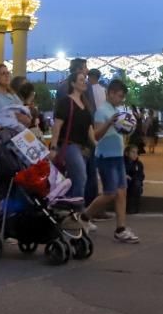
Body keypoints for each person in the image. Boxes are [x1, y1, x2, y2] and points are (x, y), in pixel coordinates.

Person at [82, 78, 140, 243]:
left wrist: (128, 128)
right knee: (110, 193)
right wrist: (110, 122)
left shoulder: (119, 110)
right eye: (119, 96)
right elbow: (97, 135)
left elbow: (121, 131)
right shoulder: (102, 111)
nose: (121, 99)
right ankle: (85, 216)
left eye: (122, 96)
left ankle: (121, 228)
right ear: (110, 93)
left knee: (122, 192)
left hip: (117, 156)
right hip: (105, 157)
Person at [51, 64, 95, 203]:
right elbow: (57, 126)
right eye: (81, 80)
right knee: (81, 177)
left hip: (83, 147)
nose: (84, 82)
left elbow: (89, 126)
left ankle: (68, 209)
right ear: (73, 83)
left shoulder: (85, 103)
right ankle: (78, 212)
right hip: (69, 145)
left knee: (74, 179)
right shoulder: (66, 102)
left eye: (85, 80)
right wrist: (53, 147)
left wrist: (94, 143)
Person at [124, 143, 145, 214]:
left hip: (134, 184)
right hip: (124, 184)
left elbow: (141, 176)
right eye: (133, 152)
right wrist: (124, 175)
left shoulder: (139, 164)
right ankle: (124, 206)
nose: (135, 154)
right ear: (126, 153)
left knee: (136, 184)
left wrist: (132, 178)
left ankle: (133, 208)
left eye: (136, 152)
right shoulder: (122, 163)